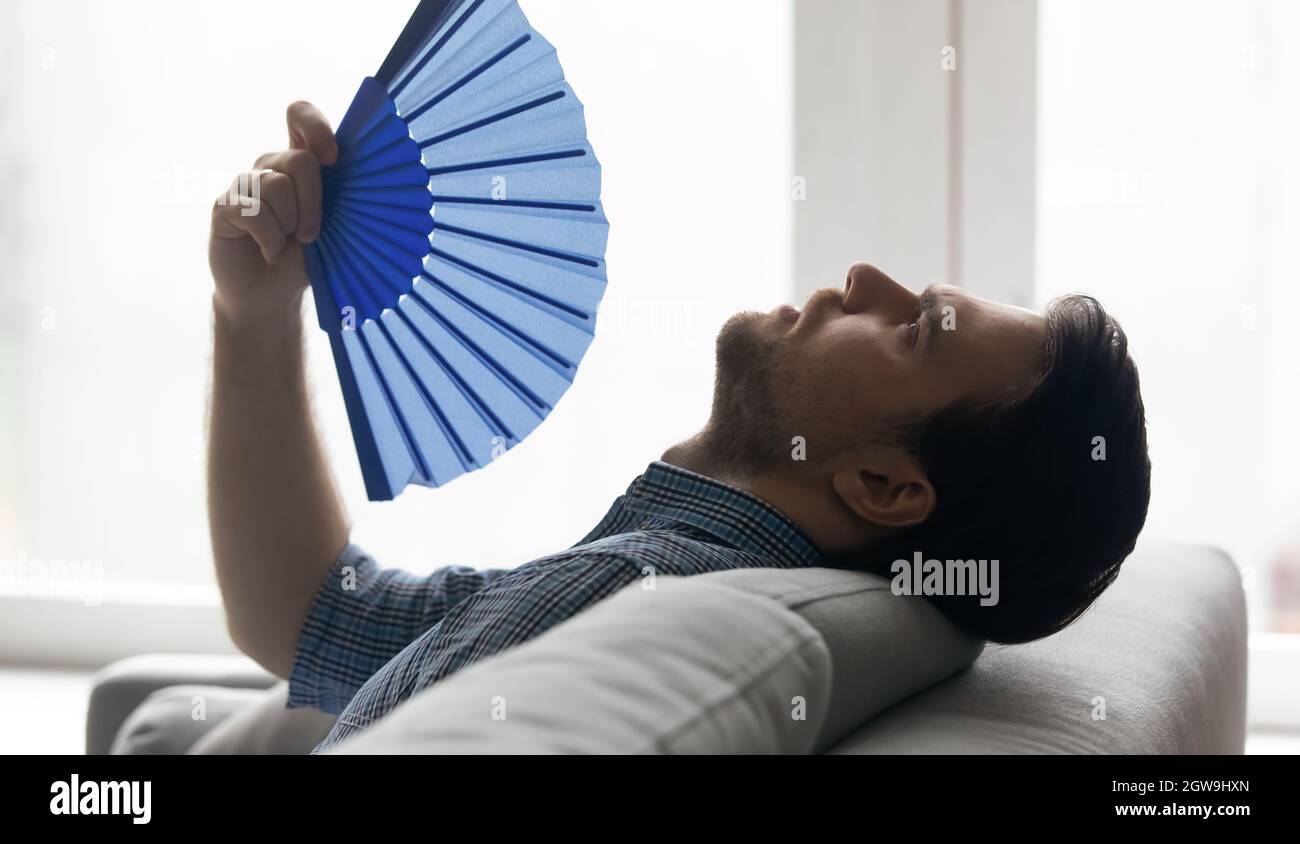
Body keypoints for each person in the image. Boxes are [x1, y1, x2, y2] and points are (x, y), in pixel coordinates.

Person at [208, 102, 1151, 752]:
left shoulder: (627, 591)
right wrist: (252, 315)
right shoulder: (679, 574)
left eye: (913, 330)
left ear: (887, 489)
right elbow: (314, 621)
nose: (864, 277)